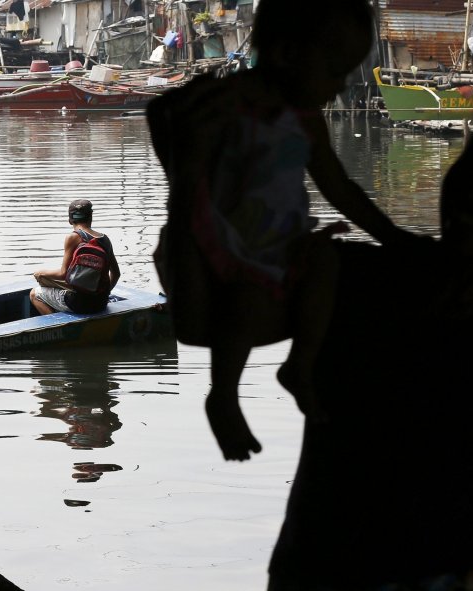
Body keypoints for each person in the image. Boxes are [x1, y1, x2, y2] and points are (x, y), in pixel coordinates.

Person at [268, 98, 473, 591]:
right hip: (315, 569)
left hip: (440, 572)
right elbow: (210, 320)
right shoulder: (345, 279)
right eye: (470, 170)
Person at [146, 0, 406, 461]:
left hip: (282, 245)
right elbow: (161, 116)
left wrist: (396, 239)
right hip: (219, 241)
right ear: (287, 55)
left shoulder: (305, 120)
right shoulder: (227, 103)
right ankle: (223, 395)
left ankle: (299, 368)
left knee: (327, 259)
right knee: (244, 302)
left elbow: (340, 189)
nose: (343, 84)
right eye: (334, 71)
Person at [30, 199, 121, 315]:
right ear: (90, 217)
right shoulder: (105, 239)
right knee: (45, 279)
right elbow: (116, 274)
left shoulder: (73, 238)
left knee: (34, 294)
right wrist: (105, 294)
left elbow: (63, 273)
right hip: (101, 303)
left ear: (69, 220)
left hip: (78, 302)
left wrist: (40, 273)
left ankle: (58, 326)